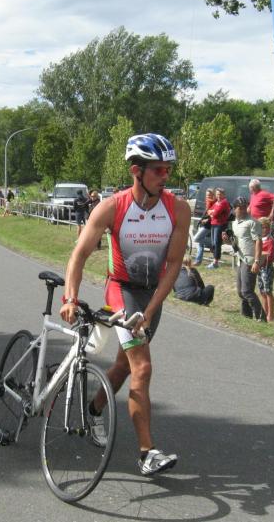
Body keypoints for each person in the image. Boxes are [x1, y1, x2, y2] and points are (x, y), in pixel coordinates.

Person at [60, 133, 190, 477]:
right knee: (142, 367)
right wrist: (70, 297)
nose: (166, 176)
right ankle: (147, 453)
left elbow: (174, 264)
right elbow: (79, 255)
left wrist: (151, 309)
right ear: (136, 171)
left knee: (123, 366)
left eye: (168, 169)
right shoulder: (112, 207)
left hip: (152, 295)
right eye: (158, 169)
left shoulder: (178, 209)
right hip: (121, 291)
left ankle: (93, 409)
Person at [228, 197, 265, 321]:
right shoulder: (234, 223)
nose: (244, 210)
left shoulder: (252, 222)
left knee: (247, 291)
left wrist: (256, 261)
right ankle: (246, 316)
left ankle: (261, 317)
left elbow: (258, 242)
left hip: (250, 260)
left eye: (245, 207)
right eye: (241, 208)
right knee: (240, 292)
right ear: (234, 209)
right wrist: (227, 240)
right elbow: (236, 241)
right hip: (240, 259)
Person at [256, 217, 274, 322]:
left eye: (267, 227)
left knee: (268, 291)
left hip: (267, 268)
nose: (265, 230)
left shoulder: (270, 240)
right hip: (259, 268)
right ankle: (264, 313)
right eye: (262, 228)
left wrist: (262, 255)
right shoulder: (258, 239)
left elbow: (271, 255)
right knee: (262, 291)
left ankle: (271, 315)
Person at [205, 187, 230, 269]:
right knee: (213, 243)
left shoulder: (223, 202)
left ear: (223, 194)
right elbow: (209, 210)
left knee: (217, 243)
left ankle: (215, 262)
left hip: (220, 225)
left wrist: (212, 213)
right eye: (217, 194)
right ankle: (214, 261)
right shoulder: (217, 202)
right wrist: (212, 212)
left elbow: (215, 214)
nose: (218, 196)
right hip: (213, 224)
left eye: (220, 194)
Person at [192, 188, 215, 266]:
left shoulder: (214, 203)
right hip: (203, 224)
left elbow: (214, 215)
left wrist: (207, 220)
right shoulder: (208, 202)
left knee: (196, 239)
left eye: (209, 195)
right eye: (207, 195)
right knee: (200, 243)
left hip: (208, 225)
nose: (208, 196)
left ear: (213, 195)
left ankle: (212, 245)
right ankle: (198, 261)